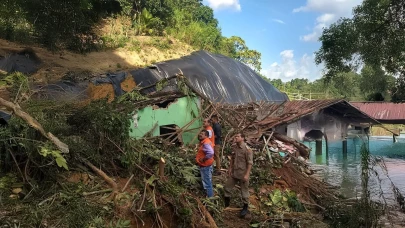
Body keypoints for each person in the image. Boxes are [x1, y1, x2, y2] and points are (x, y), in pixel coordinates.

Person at [224, 133, 253, 217]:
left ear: (242, 138)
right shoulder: (235, 147)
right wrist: (230, 168)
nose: (235, 138)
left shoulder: (247, 150)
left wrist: (247, 175)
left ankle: (245, 207)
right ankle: (226, 203)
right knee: (227, 187)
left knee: (244, 191)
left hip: (243, 174)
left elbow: (250, 163)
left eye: (238, 136)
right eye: (235, 136)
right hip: (234, 173)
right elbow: (232, 158)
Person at [196, 130, 215, 198]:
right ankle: (209, 196)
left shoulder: (206, 143)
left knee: (207, 183)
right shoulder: (206, 141)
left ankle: (210, 199)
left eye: (202, 134)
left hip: (205, 165)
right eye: (200, 133)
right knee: (208, 181)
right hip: (207, 164)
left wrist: (204, 159)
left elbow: (211, 153)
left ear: (206, 136)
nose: (200, 135)